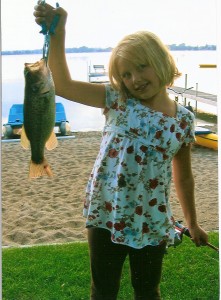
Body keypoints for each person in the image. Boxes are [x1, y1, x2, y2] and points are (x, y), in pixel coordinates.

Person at [34, 3, 208, 300]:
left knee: (147, 290)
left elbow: (184, 178)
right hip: (106, 213)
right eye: (126, 74)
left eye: (142, 67)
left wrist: (192, 222)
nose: (135, 79)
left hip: (153, 220)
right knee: (103, 290)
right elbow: (61, 85)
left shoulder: (183, 120)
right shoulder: (117, 99)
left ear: (161, 61)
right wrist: (59, 31)